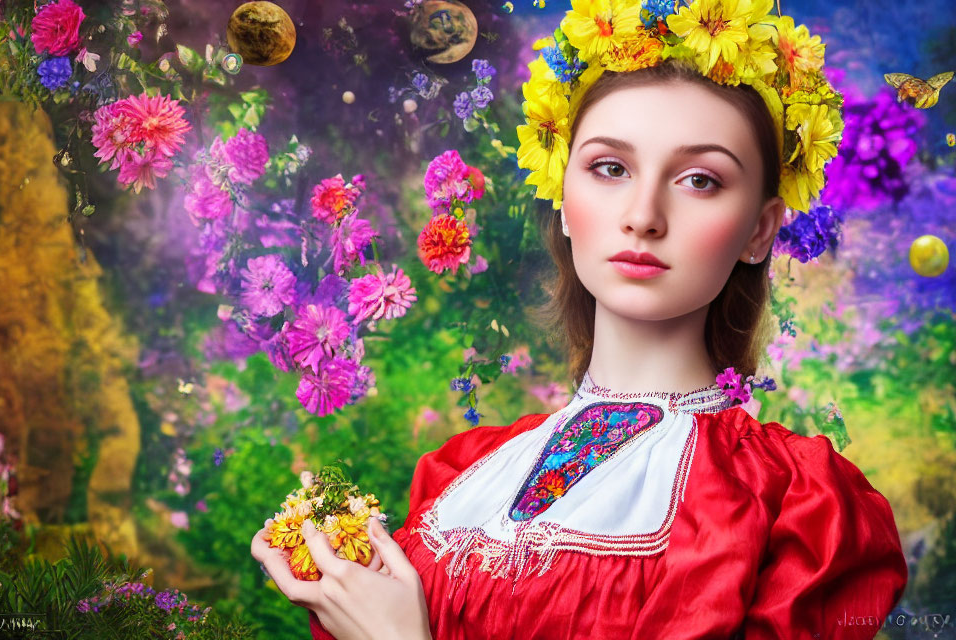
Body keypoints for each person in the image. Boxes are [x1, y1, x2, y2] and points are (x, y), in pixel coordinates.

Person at [252, 1, 909, 638]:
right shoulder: (459, 472)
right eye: (610, 168)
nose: (643, 214)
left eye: (700, 179)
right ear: (565, 200)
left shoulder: (799, 508)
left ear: (759, 231)